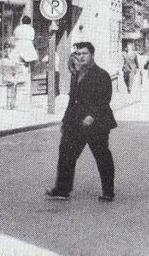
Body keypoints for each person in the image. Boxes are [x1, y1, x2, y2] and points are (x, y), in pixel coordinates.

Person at [46, 41, 117, 203]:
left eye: (84, 53)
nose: (81, 57)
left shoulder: (101, 75)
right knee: (66, 154)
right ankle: (62, 190)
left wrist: (91, 116)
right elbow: (73, 100)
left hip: (97, 124)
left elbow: (104, 99)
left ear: (92, 55)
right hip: (75, 122)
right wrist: (65, 121)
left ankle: (108, 192)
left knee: (102, 157)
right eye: (78, 54)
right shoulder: (76, 74)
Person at [0, 44, 22, 110]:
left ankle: (10, 104)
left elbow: (0, 70)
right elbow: (18, 70)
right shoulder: (10, 61)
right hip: (10, 79)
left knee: (13, 84)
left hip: (5, 79)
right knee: (14, 85)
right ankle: (12, 104)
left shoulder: (2, 61)